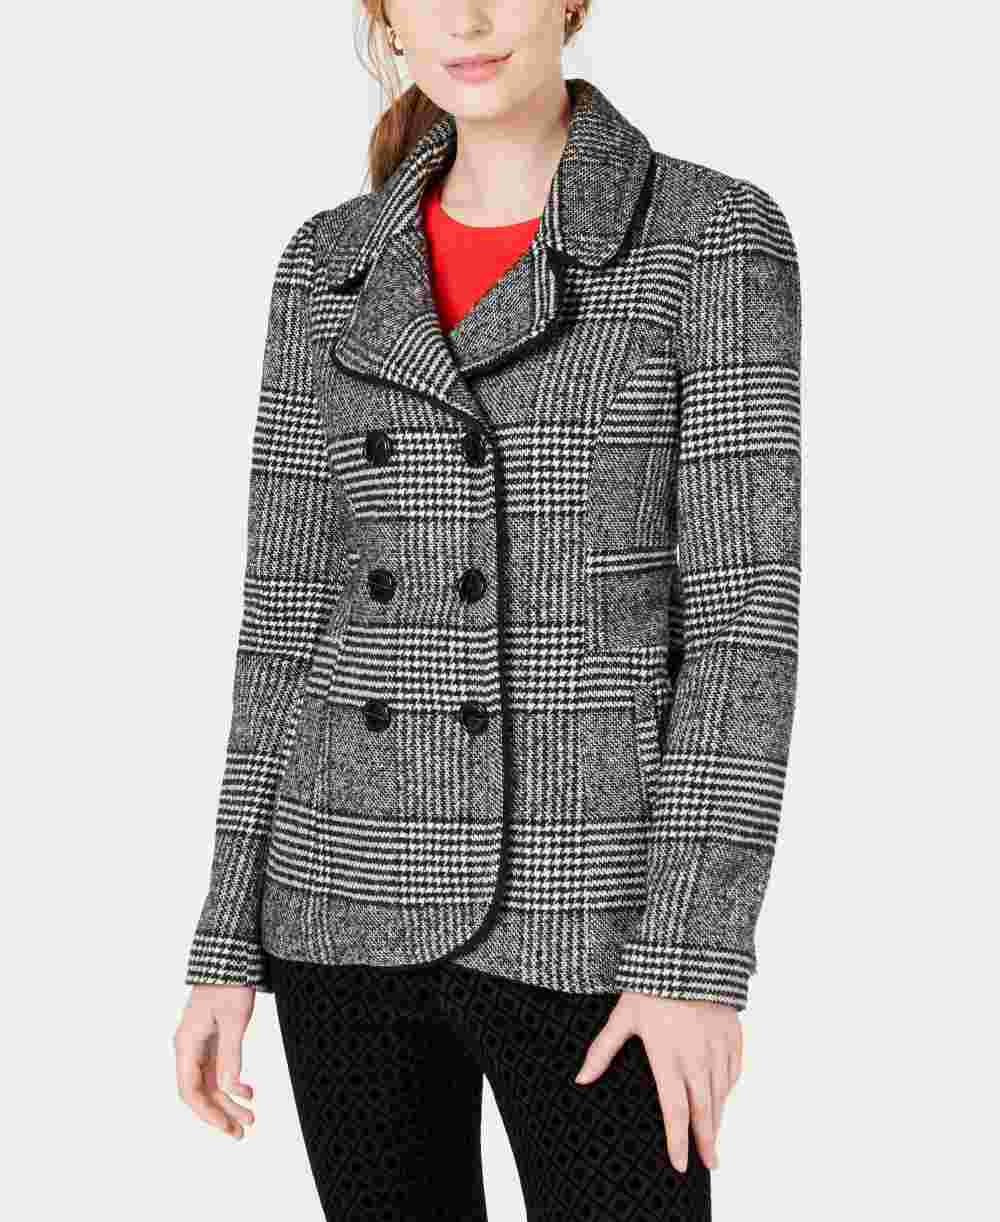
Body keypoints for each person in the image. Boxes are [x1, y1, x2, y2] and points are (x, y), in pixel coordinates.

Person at [174, 3, 802, 1218]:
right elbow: (284, 617)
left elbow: (742, 621)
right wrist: (223, 942)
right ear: (384, 19)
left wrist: (692, 955)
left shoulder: (707, 234)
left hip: (593, 907)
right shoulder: (328, 261)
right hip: (339, 894)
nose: (463, 20)